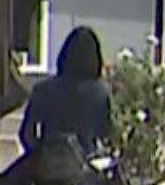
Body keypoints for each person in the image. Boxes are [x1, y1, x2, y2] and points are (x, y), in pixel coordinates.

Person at [21, 26, 114, 156]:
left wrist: (38, 155)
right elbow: (106, 135)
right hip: (84, 166)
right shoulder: (100, 94)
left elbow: (26, 134)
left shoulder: (43, 90)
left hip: (49, 163)